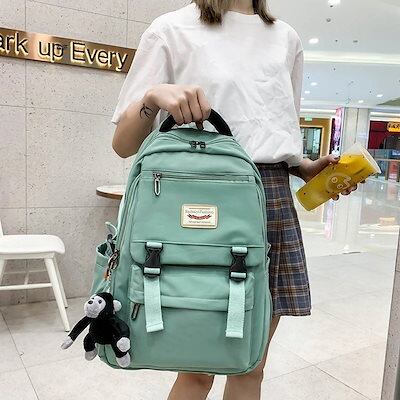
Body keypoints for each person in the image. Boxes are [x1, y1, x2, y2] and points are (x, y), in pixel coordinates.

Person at [111, 1, 362, 399]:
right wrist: (153, 96)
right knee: (197, 370)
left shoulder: (286, 38)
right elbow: (123, 144)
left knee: (250, 366)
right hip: (199, 197)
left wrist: (304, 167)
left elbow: (274, 131)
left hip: (269, 195)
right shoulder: (171, 28)